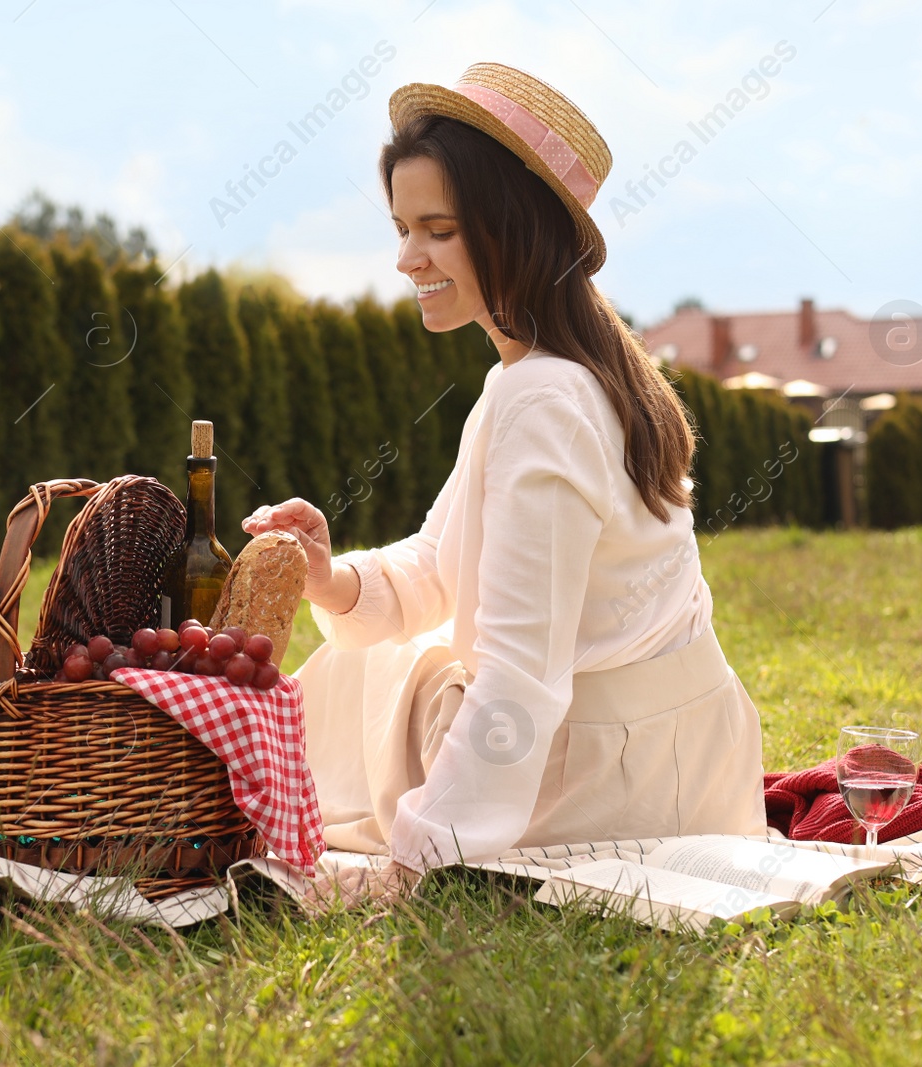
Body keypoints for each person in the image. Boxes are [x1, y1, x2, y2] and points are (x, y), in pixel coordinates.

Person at [242, 62, 768, 911]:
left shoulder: (543, 396)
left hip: (618, 778)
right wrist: (329, 576)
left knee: (380, 679)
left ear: (511, 229)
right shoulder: (554, 377)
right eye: (403, 228)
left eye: (438, 230)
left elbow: (522, 676)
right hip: (690, 758)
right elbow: (441, 563)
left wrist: (417, 862)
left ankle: (226, 799)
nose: (408, 257)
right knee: (371, 659)